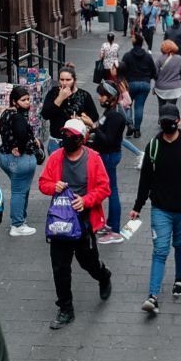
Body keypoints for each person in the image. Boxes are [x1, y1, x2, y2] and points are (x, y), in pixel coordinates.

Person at [131, 105, 181, 314]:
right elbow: (145, 179)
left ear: (179, 121)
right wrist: (137, 207)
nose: (168, 123)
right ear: (159, 122)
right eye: (164, 120)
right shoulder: (153, 147)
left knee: (180, 244)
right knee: (160, 250)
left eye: (171, 120)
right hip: (161, 209)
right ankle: (153, 296)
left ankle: (179, 280)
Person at [38, 119, 113, 330]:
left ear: (82, 139)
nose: (66, 139)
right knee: (60, 267)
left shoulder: (93, 159)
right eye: (64, 135)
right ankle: (65, 309)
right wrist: (54, 186)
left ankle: (103, 275)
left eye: (71, 136)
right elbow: (43, 184)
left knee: (88, 262)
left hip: (84, 222)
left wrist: (86, 200)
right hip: (61, 222)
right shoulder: (55, 158)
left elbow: (104, 188)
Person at [82, 81, 127, 245]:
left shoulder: (115, 115)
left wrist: (92, 127)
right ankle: (110, 224)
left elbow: (108, 140)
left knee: (111, 191)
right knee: (109, 190)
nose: (100, 98)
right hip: (106, 155)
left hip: (109, 156)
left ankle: (115, 231)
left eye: (103, 95)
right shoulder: (110, 111)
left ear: (111, 97)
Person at [0, 86, 40, 237]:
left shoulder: (6, 113)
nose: (27, 102)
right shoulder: (18, 117)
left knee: (20, 188)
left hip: (4, 157)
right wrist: (21, 149)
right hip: (19, 160)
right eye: (23, 100)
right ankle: (17, 225)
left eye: (28, 99)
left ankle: (21, 217)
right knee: (19, 191)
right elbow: (22, 135)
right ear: (14, 101)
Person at [42, 64, 99, 154]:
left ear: (74, 80)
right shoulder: (53, 93)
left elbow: (94, 115)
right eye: (62, 80)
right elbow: (45, 114)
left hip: (77, 142)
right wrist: (60, 98)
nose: (64, 83)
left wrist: (80, 119)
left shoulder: (84, 95)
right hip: (57, 141)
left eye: (68, 80)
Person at [109, 62, 146, 169]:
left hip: (119, 113)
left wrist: (117, 104)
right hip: (117, 113)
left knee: (117, 138)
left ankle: (139, 153)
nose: (111, 69)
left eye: (113, 67)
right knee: (116, 137)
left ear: (118, 70)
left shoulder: (120, 83)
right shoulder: (118, 81)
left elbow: (128, 101)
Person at [122, 34, 157, 139]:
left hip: (131, 84)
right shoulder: (148, 56)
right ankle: (137, 130)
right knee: (139, 107)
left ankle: (129, 124)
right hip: (145, 84)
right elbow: (154, 71)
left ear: (134, 42)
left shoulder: (127, 56)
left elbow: (122, 69)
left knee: (127, 105)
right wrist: (150, 78)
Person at [154, 40, 181, 109]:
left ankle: (161, 119)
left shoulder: (159, 59)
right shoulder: (179, 58)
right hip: (175, 88)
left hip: (161, 88)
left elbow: (155, 73)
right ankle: (171, 118)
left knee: (161, 106)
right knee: (172, 107)